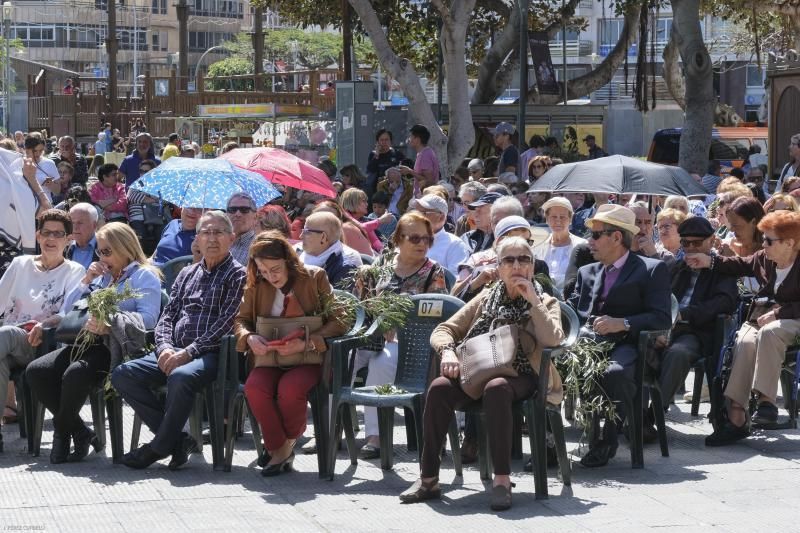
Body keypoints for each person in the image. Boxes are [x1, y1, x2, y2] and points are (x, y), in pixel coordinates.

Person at [400, 236, 564, 510]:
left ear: (532, 266)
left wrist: (533, 301)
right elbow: (444, 330)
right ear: (498, 267)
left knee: (496, 388)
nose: (516, 266)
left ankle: (501, 480)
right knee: (440, 387)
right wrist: (448, 352)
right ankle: (428, 479)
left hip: (523, 374)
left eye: (524, 259)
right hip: (478, 370)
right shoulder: (487, 297)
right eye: (508, 260)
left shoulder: (545, 301)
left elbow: (552, 340)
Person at [111, 211, 246, 469]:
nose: (211, 238)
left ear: (231, 238)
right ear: (197, 239)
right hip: (174, 349)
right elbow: (167, 316)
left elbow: (227, 323)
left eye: (218, 232)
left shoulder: (238, 275)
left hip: (214, 355)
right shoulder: (187, 274)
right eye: (205, 232)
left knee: (181, 376)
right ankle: (177, 440)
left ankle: (158, 447)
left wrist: (188, 353)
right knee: (123, 374)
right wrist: (163, 348)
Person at [26, 223, 162, 463]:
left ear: (125, 249)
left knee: (75, 374)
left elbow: (149, 319)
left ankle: (62, 435)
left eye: (107, 252)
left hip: (116, 346)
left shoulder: (143, 275)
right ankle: (80, 432)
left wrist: (110, 323)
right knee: (37, 371)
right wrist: (87, 279)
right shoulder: (104, 276)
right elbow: (68, 310)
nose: (102, 257)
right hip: (85, 342)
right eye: (99, 252)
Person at [234, 232, 347, 476]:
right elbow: (241, 321)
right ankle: (281, 449)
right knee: (255, 387)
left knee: (290, 388)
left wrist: (307, 343)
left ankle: (281, 448)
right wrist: (249, 338)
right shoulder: (255, 282)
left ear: (288, 260)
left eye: (274, 269)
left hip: (307, 358)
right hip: (268, 359)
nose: (270, 276)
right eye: (263, 270)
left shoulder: (314, 277)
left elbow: (340, 320)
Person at [569, 204, 671, 467]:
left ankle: (608, 436)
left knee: (614, 373)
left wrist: (622, 323)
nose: (589, 240)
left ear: (616, 237)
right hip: (585, 343)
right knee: (546, 367)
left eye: (596, 234)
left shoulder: (650, 269)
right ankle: (548, 442)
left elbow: (661, 318)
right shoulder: (586, 272)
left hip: (627, 345)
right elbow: (572, 311)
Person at [685, 211, 800, 445]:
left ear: (790, 243)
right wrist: (710, 261)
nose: (764, 244)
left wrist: (779, 313)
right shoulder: (766, 258)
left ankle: (766, 403)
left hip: (793, 320)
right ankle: (736, 415)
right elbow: (740, 264)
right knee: (744, 341)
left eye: (769, 240)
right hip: (763, 316)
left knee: (770, 331)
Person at [353, 213, 448, 459]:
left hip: (411, 343)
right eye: (415, 238)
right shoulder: (380, 268)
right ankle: (328, 431)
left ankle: (375, 436)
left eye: (427, 239)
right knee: (338, 361)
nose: (422, 244)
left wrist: (401, 326)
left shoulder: (433, 272)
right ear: (398, 240)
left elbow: (437, 314)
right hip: (373, 336)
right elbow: (362, 308)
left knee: (381, 362)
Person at [0, 210, 85, 452]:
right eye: (47, 232)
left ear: (68, 239)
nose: (52, 238)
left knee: (4, 334)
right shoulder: (20, 264)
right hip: (7, 341)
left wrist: (44, 324)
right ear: (38, 236)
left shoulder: (74, 271)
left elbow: (69, 312)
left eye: (59, 234)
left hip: (41, 343)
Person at [652, 218, 737, 425]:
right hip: (667, 328)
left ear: (711, 241)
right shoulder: (677, 267)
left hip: (697, 332)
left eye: (697, 243)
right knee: (639, 348)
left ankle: (653, 413)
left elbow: (725, 302)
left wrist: (686, 314)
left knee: (677, 353)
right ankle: (627, 411)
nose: (690, 248)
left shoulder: (721, 268)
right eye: (686, 243)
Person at [0, 147, 52, 276]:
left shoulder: (11, 185)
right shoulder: (12, 184)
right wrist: (31, 178)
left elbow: (47, 214)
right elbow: (47, 213)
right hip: (12, 265)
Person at [534, 197, 587, 294]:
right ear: (547, 219)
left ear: (570, 219)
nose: (558, 221)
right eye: (554, 217)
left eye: (562, 217)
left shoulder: (582, 245)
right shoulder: (538, 245)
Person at [298, 211, 362, 288]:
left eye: (306, 232)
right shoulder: (298, 252)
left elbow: (337, 299)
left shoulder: (346, 268)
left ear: (323, 237)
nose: (300, 236)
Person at [410, 194, 470, 275]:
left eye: (423, 213)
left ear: (441, 217)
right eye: (416, 212)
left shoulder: (455, 245)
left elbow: (455, 282)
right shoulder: (408, 240)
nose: (417, 217)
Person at [339, 188, 392, 255]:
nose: (367, 204)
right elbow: (359, 228)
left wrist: (384, 252)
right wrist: (380, 220)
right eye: (363, 201)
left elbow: (375, 241)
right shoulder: (345, 215)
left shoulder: (363, 219)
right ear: (353, 202)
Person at [629, 201, 676, 267]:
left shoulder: (666, 257)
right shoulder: (619, 253)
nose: (643, 227)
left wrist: (653, 255)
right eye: (638, 222)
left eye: (648, 222)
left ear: (653, 226)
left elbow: (663, 276)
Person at [397, 124, 440, 190]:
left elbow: (430, 182)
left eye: (411, 137)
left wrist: (410, 171)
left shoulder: (425, 155)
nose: (409, 139)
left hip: (425, 197)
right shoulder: (423, 153)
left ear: (417, 139)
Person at [366, 129, 401, 200]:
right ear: (377, 142)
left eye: (386, 140)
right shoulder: (373, 154)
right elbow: (370, 170)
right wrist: (377, 155)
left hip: (395, 190)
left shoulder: (396, 154)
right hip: (378, 190)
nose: (384, 142)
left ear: (390, 141)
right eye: (381, 140)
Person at [24, 135, 60, 203]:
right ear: (27, 150)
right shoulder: (18, 164)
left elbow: (57, 191)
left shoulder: (50, 163)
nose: (38, 154)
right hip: (25, 206)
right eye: (35, 151)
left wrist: (52, 185)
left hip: (45, 206)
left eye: (41, 150)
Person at [226, 192, 259, 266]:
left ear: (255, 217)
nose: (237, 214)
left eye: (244, 210)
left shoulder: (258, 248)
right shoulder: (219, 242)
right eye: (232, 209)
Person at [65, 203, 100, 270]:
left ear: (94, 225)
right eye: (72, 223)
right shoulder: (63, 248)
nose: (75, 228)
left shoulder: (106, 248)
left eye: (80, 223)